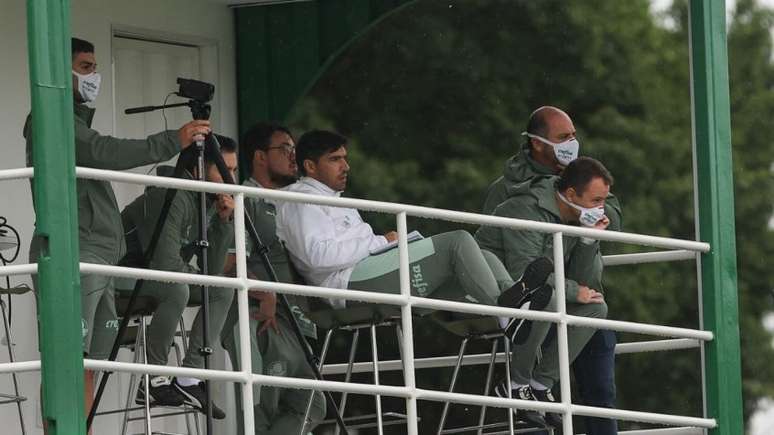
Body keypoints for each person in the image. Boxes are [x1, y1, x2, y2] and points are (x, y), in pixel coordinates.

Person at [24, 37, 211, 429]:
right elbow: (107, 152)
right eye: (87, 67)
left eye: (94, 66)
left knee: (90, 362)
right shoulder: (51, 116)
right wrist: (170, 141)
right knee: (67, 363)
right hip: (77, 251)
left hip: (100, 255)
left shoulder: (70, 119)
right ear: (61, 72)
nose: (95, 75)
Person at [275, 130, 551, 333]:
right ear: (310, 166)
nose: (346, 166)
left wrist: (386, 243)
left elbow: (351, 245)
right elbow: (317, 257)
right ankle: (508, 316)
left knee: (483, 256)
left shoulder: (332, 197)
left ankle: (517, 306)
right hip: (346, 286)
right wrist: (381, 242)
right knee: (457, 243)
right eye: (335, 159)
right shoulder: (300, 199)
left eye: (345, 159)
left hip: (367, 272)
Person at [482, 106, 620, 434]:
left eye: (573, 136)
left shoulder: (584, 179)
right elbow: (509, 257)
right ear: (537, 144)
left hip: (581, 294)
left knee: (600, 390)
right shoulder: (509, 193)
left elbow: (612, 224)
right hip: (536, 298)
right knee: (540, 421)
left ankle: (540, 386)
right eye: (563, 138)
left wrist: (588, 229)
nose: (572, 144)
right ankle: (530, 392)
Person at [119, 135, 238, 419]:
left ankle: (189, 379)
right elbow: (165, 264)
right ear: (198, 169)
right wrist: (192, 275)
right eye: (224, 170)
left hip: (156, 279)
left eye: (233, 170)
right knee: (178, 289)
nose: (231, 179)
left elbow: (211, 271)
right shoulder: (168, 194)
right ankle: (154, 380)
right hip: (117, 277)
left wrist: (223, 223)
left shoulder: (206, 201)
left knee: (222, 290)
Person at [220, 123, 326, 434]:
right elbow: (228, 262)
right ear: (260, 157)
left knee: (312, 406)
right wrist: (264, 292)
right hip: (258, 319)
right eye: (285, 149)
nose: (294, 156)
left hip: (296, 322)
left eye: (295, 149)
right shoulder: (246, 199)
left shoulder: (296, 201)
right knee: (261, 410)